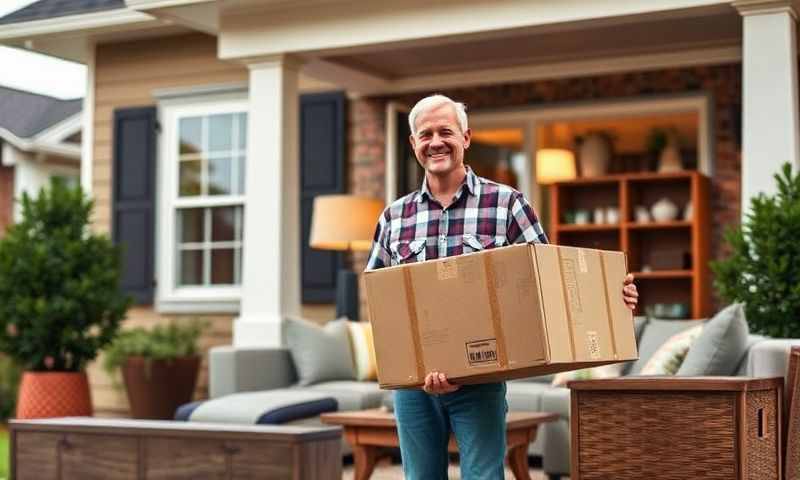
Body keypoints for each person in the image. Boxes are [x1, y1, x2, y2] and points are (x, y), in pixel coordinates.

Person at [365, 94, 639, 479]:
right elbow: (380, 299)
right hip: (414, 389)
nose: (436, 141)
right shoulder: (394, 216)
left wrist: (613, 296)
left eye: (446, 131)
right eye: (425, 134)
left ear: (466, 137)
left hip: (481, 381)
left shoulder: (507, 204)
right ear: (413, 144)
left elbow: (553, 284)